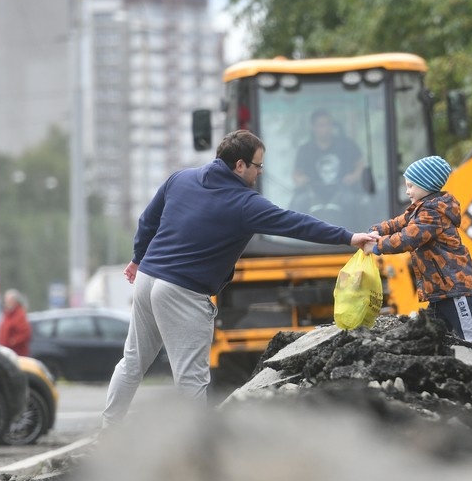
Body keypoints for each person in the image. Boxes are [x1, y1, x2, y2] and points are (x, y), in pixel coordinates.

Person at [102, 129, 377, 426]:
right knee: (191, 378)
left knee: (132, 362)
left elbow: (147, 220)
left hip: (148, 277)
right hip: (182, 291)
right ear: (240, 166)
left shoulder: (180, 179)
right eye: (258, 166)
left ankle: (106, 432)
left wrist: (137, 258)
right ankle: (194, 450)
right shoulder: (245, 203)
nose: (260, 173)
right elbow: (297, 224)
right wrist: (349, 237)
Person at [363, 156, 472, 352]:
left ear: (426, 185)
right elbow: (398, 223)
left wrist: (377, 246)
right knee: (429, 337)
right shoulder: (419, 210)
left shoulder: (433, 213)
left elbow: (409, 238)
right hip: (439, 294)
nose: (407, 191)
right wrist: (376, 230)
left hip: (457, 291)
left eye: (411, 186)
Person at [291, 109, 365, 212]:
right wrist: (301, 179)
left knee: (361, 204)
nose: (325, 128)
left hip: (344, 191)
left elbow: (360, 163)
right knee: (298, 203)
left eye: (328, 124)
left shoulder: (346, 144)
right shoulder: (305, 150)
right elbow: (297, 174)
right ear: (313, 127)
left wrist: (354, 176)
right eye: (321, 125)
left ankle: (367, 228)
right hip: (313, 194)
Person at [0, 289, 32, 357]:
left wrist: (13, 341)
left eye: (8, 300)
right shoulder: (7, 314)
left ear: (14, 301)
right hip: (5, 352)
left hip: (17, 353)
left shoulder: (20, 315)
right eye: (6, 300)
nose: (6, 303)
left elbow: (25, 334)